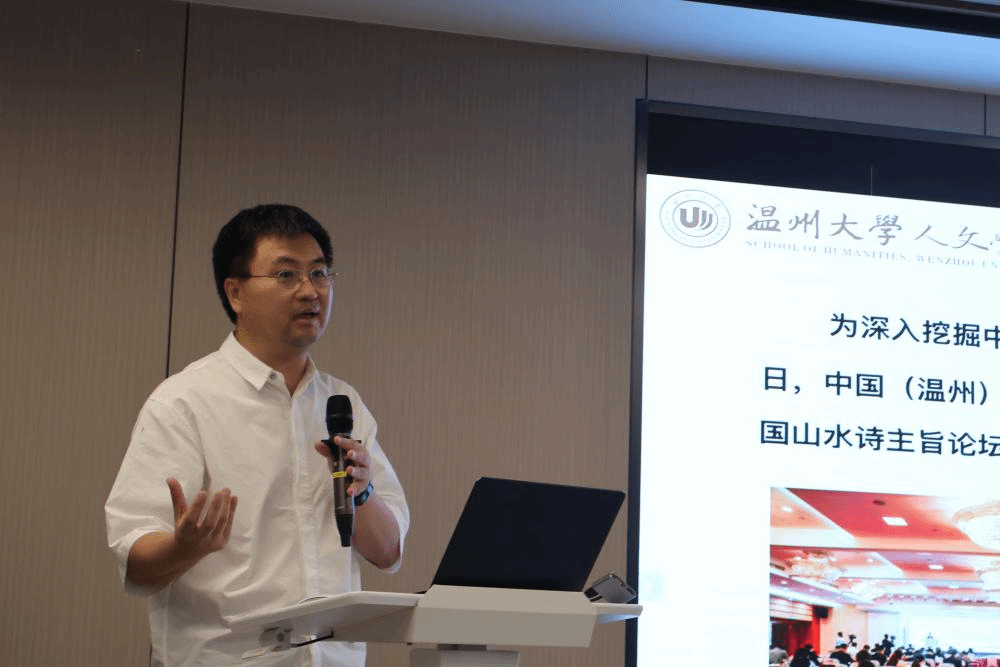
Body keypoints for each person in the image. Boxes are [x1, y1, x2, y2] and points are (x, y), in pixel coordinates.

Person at [106, 204, 410, 666]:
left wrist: (363, 491)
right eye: (287, 275)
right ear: (236, 293)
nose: (310, 290)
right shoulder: (184, 402)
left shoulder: (341, 405)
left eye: (320, 273)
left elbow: (388, 552)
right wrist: (183, 547)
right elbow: (136, 558)